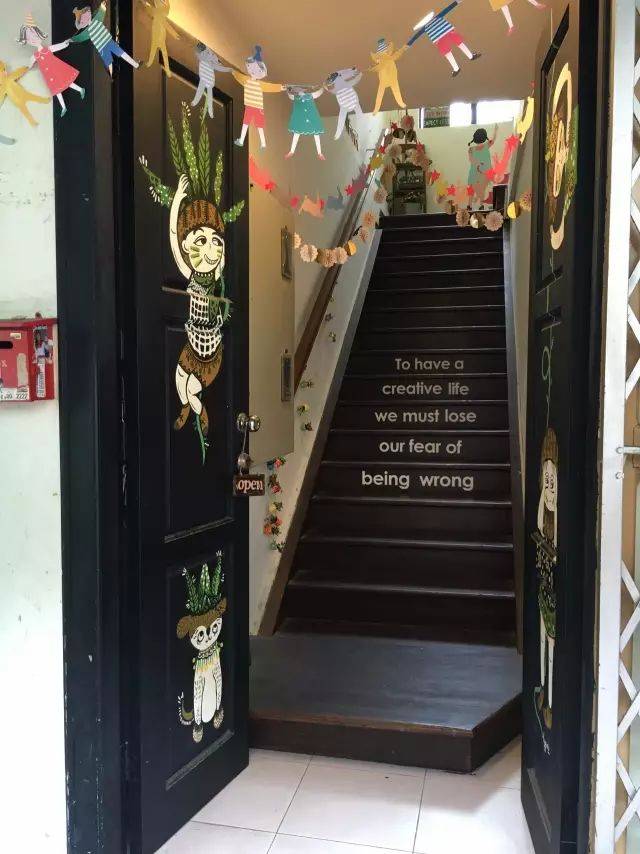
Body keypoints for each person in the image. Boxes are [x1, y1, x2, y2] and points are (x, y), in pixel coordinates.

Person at [17, 14, 84, 117]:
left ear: (39, 35)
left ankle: (80, 89)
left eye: (34, 36)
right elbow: (29, 66)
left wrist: (65, 43)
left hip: (56, 69)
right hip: (49, 75)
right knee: (57, 90)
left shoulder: (47, 49)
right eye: (29, 39)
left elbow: (58, 47)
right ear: (27, 41)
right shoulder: (35, 56)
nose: (33, 39)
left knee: (66, 82)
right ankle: (63, 107)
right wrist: (21, 73)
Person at [409, 2, 481, 77]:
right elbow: (448, 9)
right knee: (454, 47)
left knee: (452, 49)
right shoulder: (435, 19)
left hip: (443, 36)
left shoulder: (428, 25)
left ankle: (461, 64)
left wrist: (408, 44)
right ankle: (463, 63)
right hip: (445, 35)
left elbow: (416, 36)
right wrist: (456, 2)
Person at [232, 46, 283, 149]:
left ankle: (263, 143)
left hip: (257, 107)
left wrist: (281, 87)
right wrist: (233, 72)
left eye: (256, 69)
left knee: (259, 126)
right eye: (250, 67)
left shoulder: (260, 84)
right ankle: (241, 140)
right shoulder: (246, 80)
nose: (252, 71)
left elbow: (270, 87)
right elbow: (239, 77)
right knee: (246, 123)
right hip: (250, 106)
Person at [70, 3, 139, 76]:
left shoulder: (96, 20)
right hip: (102, 47)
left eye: (85, 14)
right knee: (109, 62)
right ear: (82, 24)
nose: (85, 18)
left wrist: (103, 6)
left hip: (109, 41)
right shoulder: (87, 31)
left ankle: (135, 65)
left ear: (88, 13)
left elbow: (101, 12)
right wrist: (71, 40)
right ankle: (112, 76)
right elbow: (80, 37)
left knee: (121, 53)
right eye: (82, 19)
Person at [285, 84, 325, 160]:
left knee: (316, 133)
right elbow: (290, 95)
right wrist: (288, 89)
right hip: (301, 119)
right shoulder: (296, 97)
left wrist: (322, 87)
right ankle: (291, 151)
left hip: (311, 118)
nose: (299, 91)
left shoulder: (309, 96)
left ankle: (319, 153)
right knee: (297, 133)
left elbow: (318, 93)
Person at [368, 38, 408, 114]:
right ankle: (376, 109)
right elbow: (397, 54)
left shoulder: (387, 59)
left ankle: (400, 103)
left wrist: (403, 49)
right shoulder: (385, 60)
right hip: (386, 81)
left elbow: (397, 54)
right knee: (382, 94)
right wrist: (371, 69)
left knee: (392, 93)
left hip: (390, 80)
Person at [191, 43, 231, 118]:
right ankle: (196, 102)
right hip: (203, 79)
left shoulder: (209, 62)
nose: (198, 56)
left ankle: (210, 111)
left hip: (208, 81)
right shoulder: (202, 60)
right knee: (200, 91)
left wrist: (229, 69)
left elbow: (219, 68)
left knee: (208, 96)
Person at [467, 124, 498, 204]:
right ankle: (478, 202)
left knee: (475, 189)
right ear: (484, 137)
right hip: (482, 172)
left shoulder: (472, 149)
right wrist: (495, 130)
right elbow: (493, 139)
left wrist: (477, 163)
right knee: (480, 189)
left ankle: (474, 203)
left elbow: (471, 160)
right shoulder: (485, 145)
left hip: (479, 172)